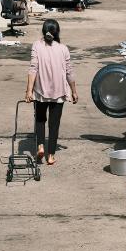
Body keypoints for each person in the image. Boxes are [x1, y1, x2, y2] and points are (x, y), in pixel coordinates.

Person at [25, 19, 78, 166]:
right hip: (59, 93)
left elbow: (33, 68)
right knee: (54, 125)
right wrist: (74, 91)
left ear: (43, 31)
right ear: (57, 32)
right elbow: (69, 72)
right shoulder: (63, 49)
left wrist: (29, 91)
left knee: (40, 121)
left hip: (40, 91)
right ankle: (51, 156)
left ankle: (40, 146)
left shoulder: (37, 45)